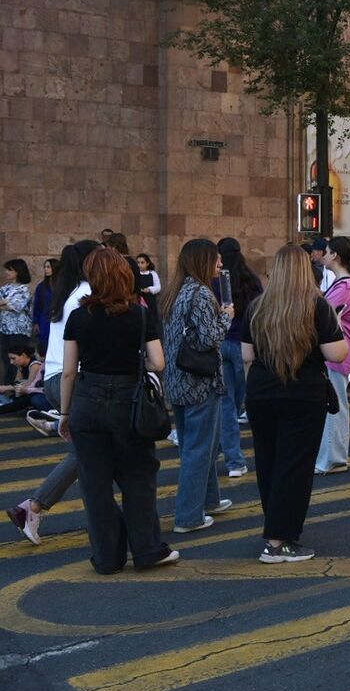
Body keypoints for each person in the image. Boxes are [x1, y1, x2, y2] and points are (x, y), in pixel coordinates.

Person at [59, 247, 177, 573]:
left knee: (95, 485)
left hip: (87, 403)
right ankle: (147, 550)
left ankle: (107, 558)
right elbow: (159, 362)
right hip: (129, 401)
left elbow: (69, 371)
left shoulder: (79, 317)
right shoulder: (139, 315)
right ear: (125, 276)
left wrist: (65, 414)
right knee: (138, 478)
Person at [243, 245, 349, 562]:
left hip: (261, 391)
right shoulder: (318, 306)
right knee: (295, 468)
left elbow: (247, 356)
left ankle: (276, 529)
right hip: (303, 393)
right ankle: (279, 542)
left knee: (269, 464)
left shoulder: (257, 306)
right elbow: (336, 354)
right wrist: (339, 326)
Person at [6, 241, 99, 545]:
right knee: (91, 450)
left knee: (88, 451)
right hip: (71, 380)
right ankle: (33, 506)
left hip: (56, 378)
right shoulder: (84, 295)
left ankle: (98, 521)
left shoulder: (65, 293)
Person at [163, 238, 235, 534]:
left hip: (177, 382)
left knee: (196, 446)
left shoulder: (175, 291)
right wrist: (226, 318)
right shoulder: (202, 294)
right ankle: (189, 515)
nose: (220, 264)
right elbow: (209, 339)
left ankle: (210, 500)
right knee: (200, 448)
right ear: (203, 261)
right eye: (216, 259)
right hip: (200, 382)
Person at [315, 236, 350, 475]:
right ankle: (333, 457)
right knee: (334, 404)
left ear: (334, 255)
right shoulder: (345, 284)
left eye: (325, 251)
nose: (322, 255)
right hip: (337, 352)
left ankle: (333, 459)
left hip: (337, 353)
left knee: (334, 406)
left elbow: (322, 313)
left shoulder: (346, 287)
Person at [215, 238, 263, 478]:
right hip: (244, 345)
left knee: (226, 406)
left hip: (219, 343)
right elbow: (259, 310)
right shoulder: (250, 280)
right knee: (241, 401)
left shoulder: (214, 281)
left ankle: (234, 460)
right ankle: (232, 450)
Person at [1, 259, 33, 388]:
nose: (7, 272)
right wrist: (6, 303)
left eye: (10, 269)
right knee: (6, 360)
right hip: (4, 329)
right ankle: (7, 388)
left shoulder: (24, 289)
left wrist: (5, 302)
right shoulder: (5, 288)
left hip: (19, 330)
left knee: (17, 360)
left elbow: (17, 306)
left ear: (18, 271)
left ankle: (16, 389)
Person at [0, 344, 49, 414]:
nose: (11, 362)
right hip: (28, 392)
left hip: (36, 393)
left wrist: (6, 388)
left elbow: (30, 386)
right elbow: (17, 382)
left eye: (13, 358)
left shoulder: (35, 365)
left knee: (30, 400)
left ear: (23, 355)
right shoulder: (21, 366)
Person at [31, 258, 58, 356]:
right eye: (45, 267)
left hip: (57, 318)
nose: (46, 269)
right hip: (44, 320)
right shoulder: (41, 286)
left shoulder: (61, 285)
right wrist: (36, 322)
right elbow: (37, 305)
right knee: (44, 346)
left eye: (48, 267)